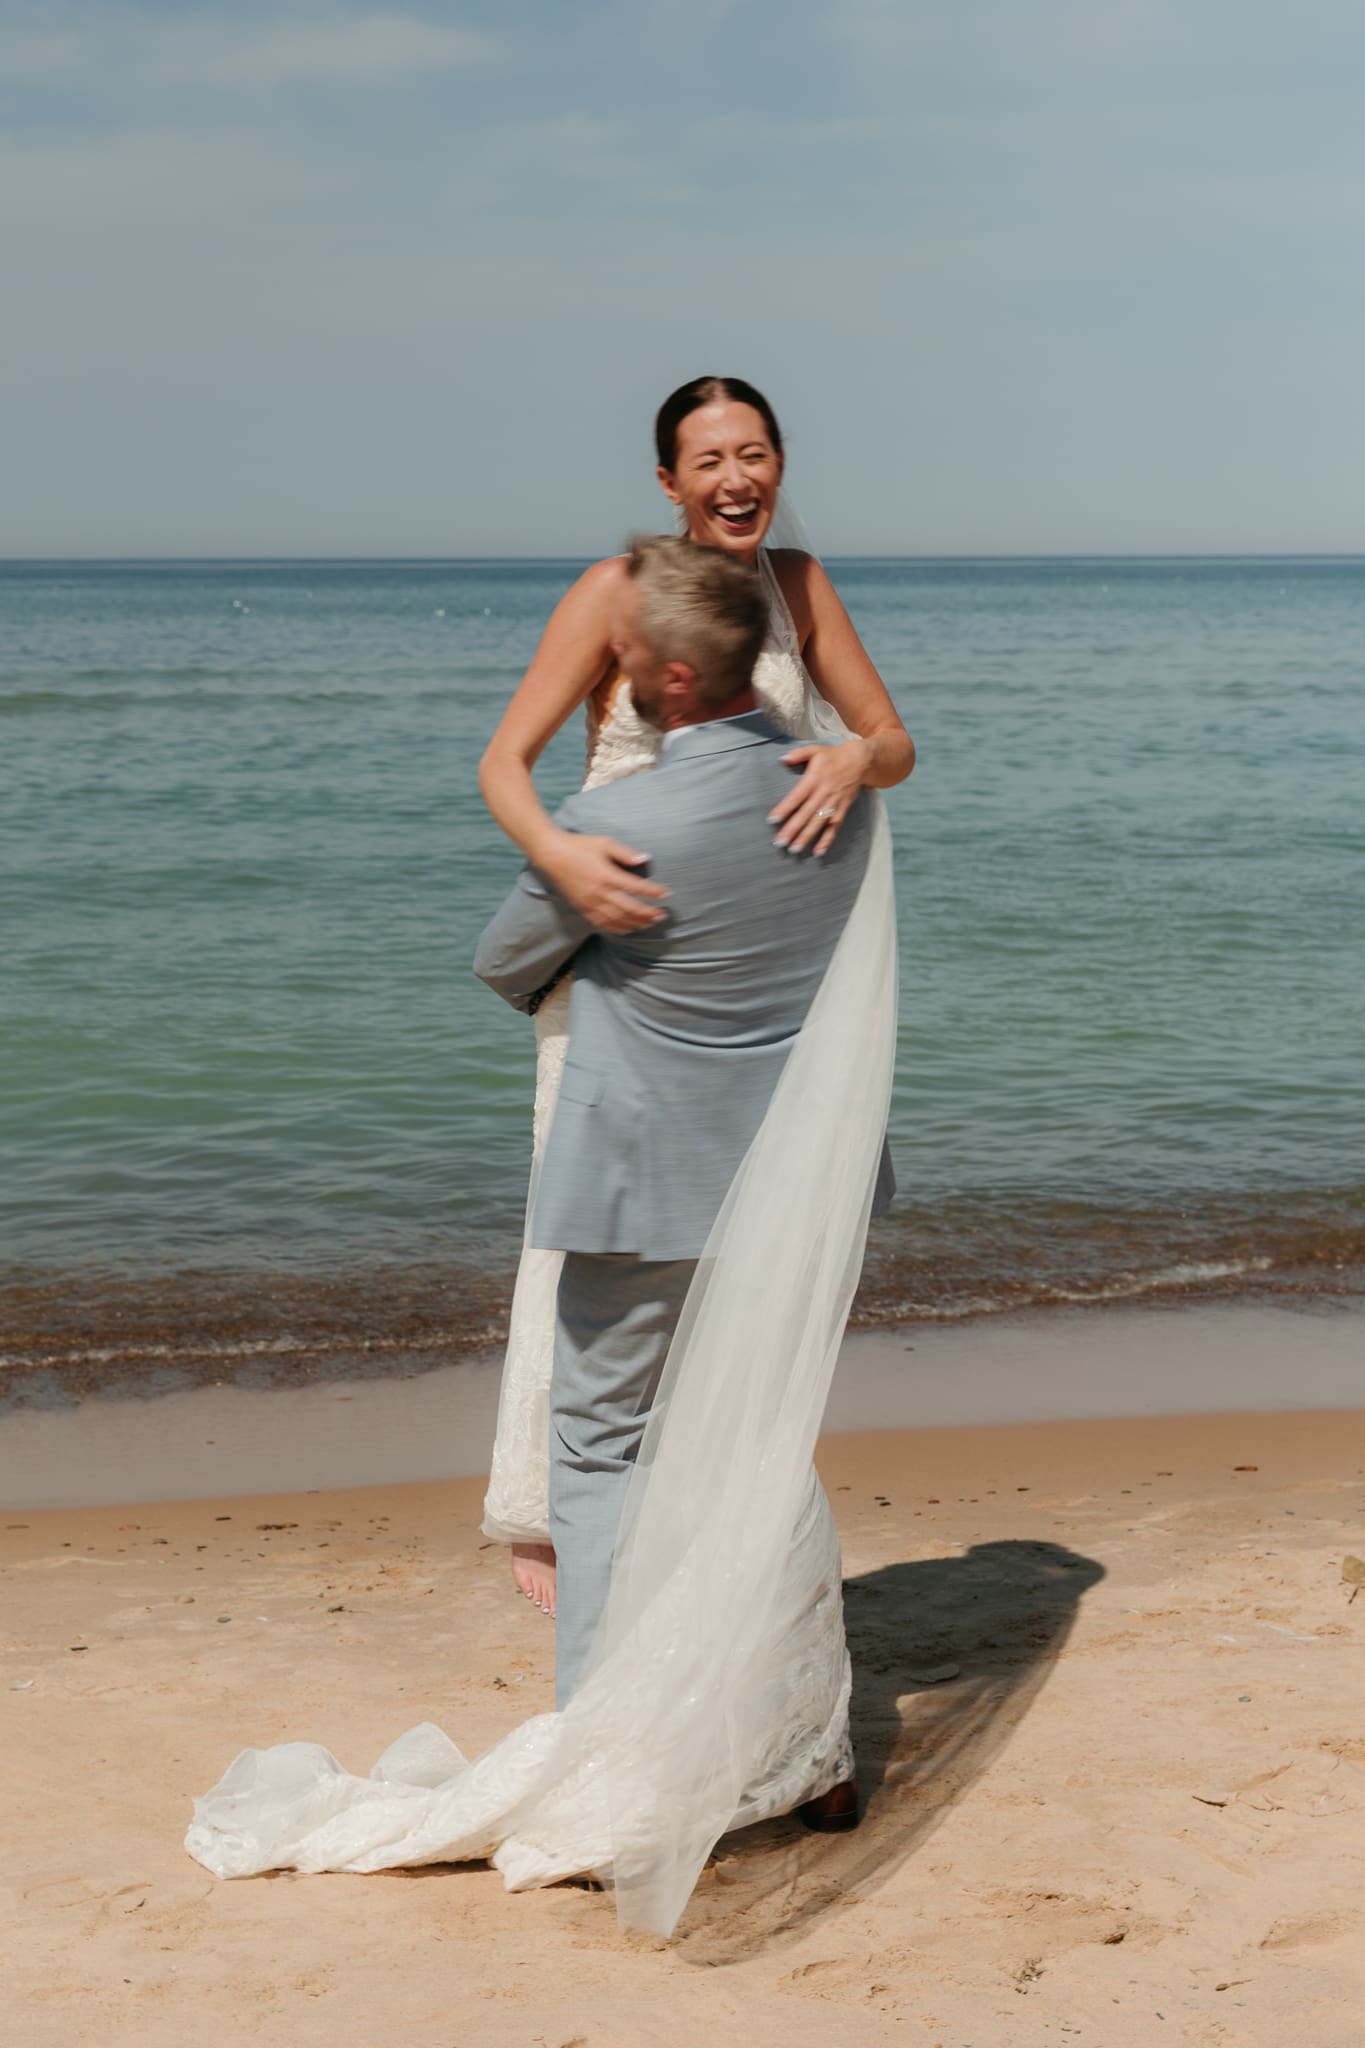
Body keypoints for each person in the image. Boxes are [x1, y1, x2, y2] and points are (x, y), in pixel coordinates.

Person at [185, 537, 900, 1938]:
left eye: (628, 657)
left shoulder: (623, 818)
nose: (613, 673)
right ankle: (813, 1752)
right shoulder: (836, 798)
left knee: (599, 1454)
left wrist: (597, 923)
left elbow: (505, 964)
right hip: (788, 1185)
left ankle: (603, 1757)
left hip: (645, 1188)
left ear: (672, 677)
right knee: (762, 1448)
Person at [480, 375, 914, 1616]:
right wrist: (560, 855)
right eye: (710, 459)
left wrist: (853, 754)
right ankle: (549, 1512)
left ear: (780, 463)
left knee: (742, 1251)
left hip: (751, 977)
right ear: (669, 483)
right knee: (584, 1228)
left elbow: (896, 743)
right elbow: (505, 760)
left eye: (756, 451)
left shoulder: (800, 586)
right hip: (618, 963)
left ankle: (694, 1496)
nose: (738, 477)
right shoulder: (617, 590)